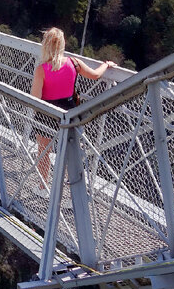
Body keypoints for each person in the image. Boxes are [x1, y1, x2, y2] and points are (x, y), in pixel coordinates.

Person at [29, 27, 116, 184]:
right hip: (69, 111)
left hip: (46, 112)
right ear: (63, 44)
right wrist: (106, 64)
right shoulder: (74, 63)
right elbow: (95, 75)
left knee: (43, 152)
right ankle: (72, 195)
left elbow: (35, 99)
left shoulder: (41, 70)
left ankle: (43, 187)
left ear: (45, 45)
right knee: (72, 153)